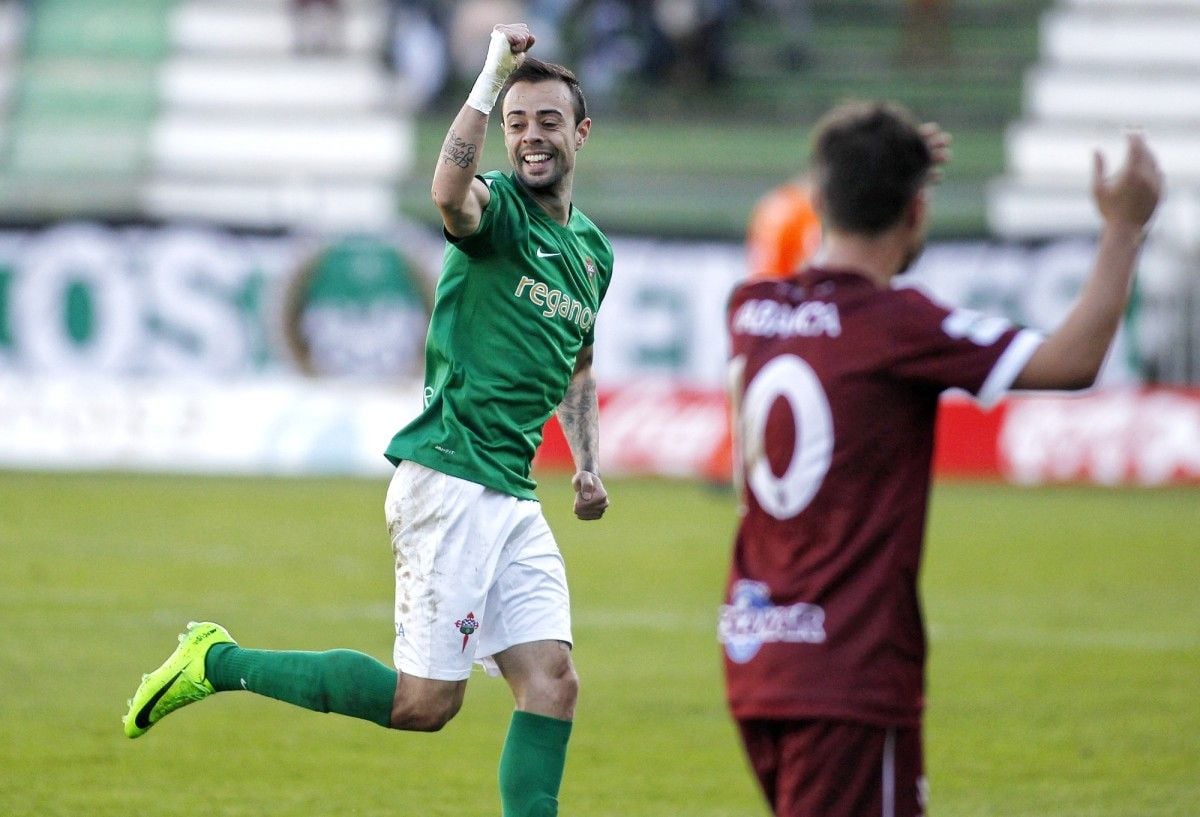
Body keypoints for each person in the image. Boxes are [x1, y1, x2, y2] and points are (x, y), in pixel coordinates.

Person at [123, 23, 613, 817]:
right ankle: (216, 660)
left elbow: (580, 366)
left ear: (581, 133)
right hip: (451, 475)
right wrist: (490, 78)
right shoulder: (499, 216)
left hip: (511, 492)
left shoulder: (593, 252)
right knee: (424, 704)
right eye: (518, 123)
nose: (529, 137)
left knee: (552, 681)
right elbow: (447, 194)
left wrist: (587, 463)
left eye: (547, 121)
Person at [720, 100, 1161, 817]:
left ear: (821, 198)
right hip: (849, 671)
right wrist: (1124, 227)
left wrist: (872, 166)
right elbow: (1073, 360)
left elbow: (832, 223)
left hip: (758, 655)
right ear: (917, 212)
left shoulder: (750, 307)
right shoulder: (899, 325)